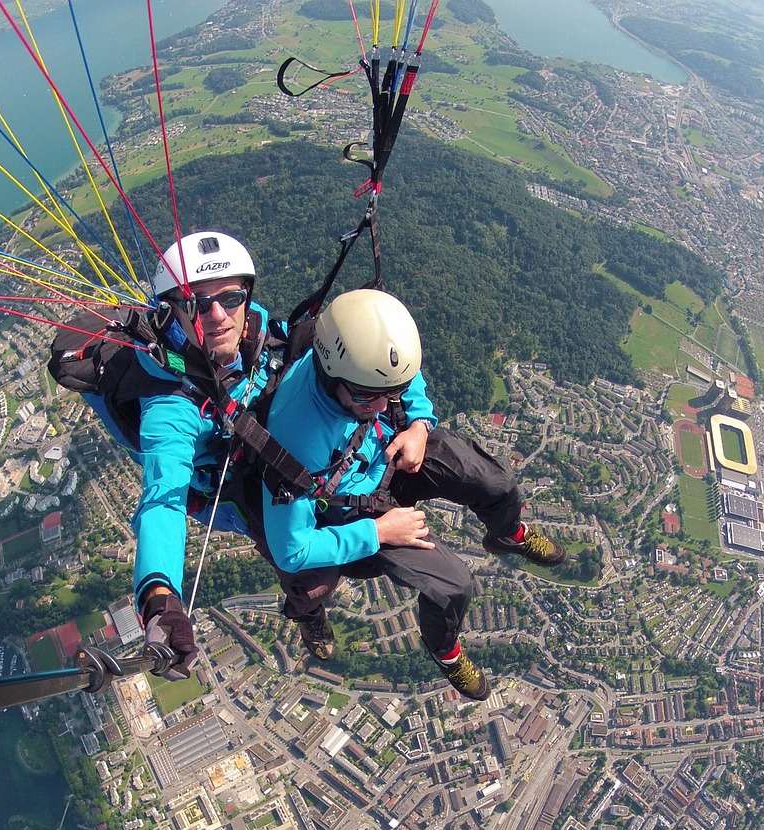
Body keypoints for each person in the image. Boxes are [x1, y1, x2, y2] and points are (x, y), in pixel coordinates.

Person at [259, 289, 567, 700]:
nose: (385, 403)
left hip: (387, 452)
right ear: (332, 378)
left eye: (391, 392)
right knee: (454, 585)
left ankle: (507, 533)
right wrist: (380, 532)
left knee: (495, 482)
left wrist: (419, 424)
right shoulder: (297, 443)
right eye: (370, 396)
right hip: (350, 507)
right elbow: (291, 551)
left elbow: (401, 379)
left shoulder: (361, 364)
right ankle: (446, 651)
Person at [129, 231, 273, 678]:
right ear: (171, 315)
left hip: (263, 461)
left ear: (247, 298)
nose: (216, 315)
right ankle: (308, 617)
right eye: (194, 303)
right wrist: (159, 598)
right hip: (227, 498)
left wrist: (420, 423)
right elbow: (163, 496)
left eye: (230, 298)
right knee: (288, 549)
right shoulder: (170, 404)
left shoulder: (267, 340)